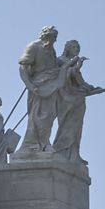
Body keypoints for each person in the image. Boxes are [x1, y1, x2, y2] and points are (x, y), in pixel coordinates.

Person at [51, 41, 104, 162]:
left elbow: (80, 81)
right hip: (65, 98)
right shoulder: (60, 60)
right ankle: (60, 150)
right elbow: (60, 77)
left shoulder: (74, 62)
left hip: (78, 99)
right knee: (66, 125)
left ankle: (73, 154)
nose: (77, 49)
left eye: (78, 47)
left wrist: (92, 89)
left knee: (76, 128)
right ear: (67, 48)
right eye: (74, 47)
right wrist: (76, 67)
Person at [18, 26, 62, 155]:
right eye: (53, 37)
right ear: (46, 36)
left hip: (50, 87)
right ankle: (32, 145)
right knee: (38, 116)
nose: (54, 40)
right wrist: (30, 85)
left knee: (49, 116)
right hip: (39, 87)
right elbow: (23, 67)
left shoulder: (50, 48)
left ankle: (44, 143)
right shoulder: (34, 46)